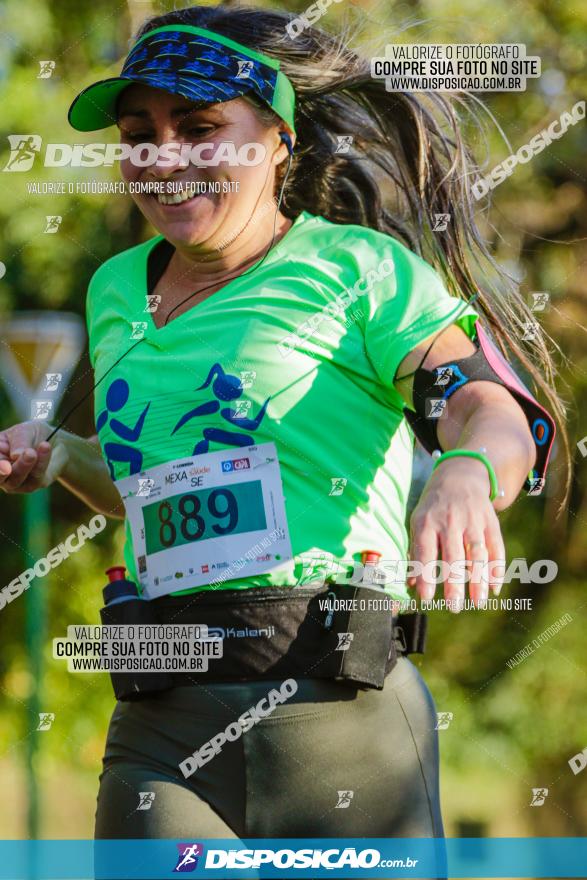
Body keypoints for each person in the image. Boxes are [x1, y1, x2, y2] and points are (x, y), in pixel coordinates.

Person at [0, 3, 563, 873]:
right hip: (161, 722)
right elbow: (153, 489)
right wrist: (60, 458)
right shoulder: (116, 290)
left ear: (275, 143)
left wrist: (460, 472)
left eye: (199, 128)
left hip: (342, 723)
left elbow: (487, 407)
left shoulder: (358, 272)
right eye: (137, 131)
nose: (163, 155)